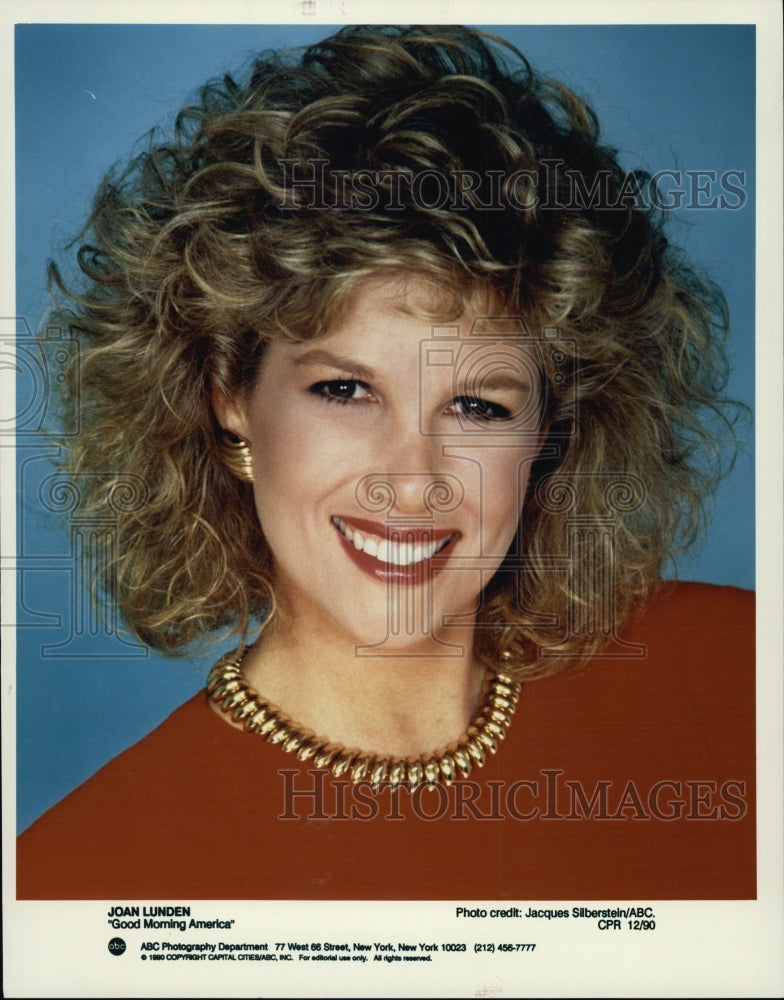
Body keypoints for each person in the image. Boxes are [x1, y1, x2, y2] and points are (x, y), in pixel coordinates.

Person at [17, 24, 754, 900]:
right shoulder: (80, 877)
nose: (412, 479)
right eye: (345, 391)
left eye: (478, 406)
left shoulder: (735, 674)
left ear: (551, 434)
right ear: (229, 393)